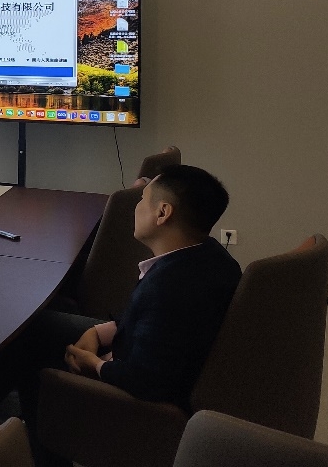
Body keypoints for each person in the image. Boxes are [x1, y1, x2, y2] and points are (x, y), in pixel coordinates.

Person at [15, 164, 241, 456]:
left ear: (162, 213)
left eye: (142, 199)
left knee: (26, 346)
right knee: (36, 325)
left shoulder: (169, 287)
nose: (136, 207)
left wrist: (93, 363)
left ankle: (39, 451)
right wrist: (96, 333)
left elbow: (145, 381)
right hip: (138, 351)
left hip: (138, 404)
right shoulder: (211, 256)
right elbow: (149, 322)